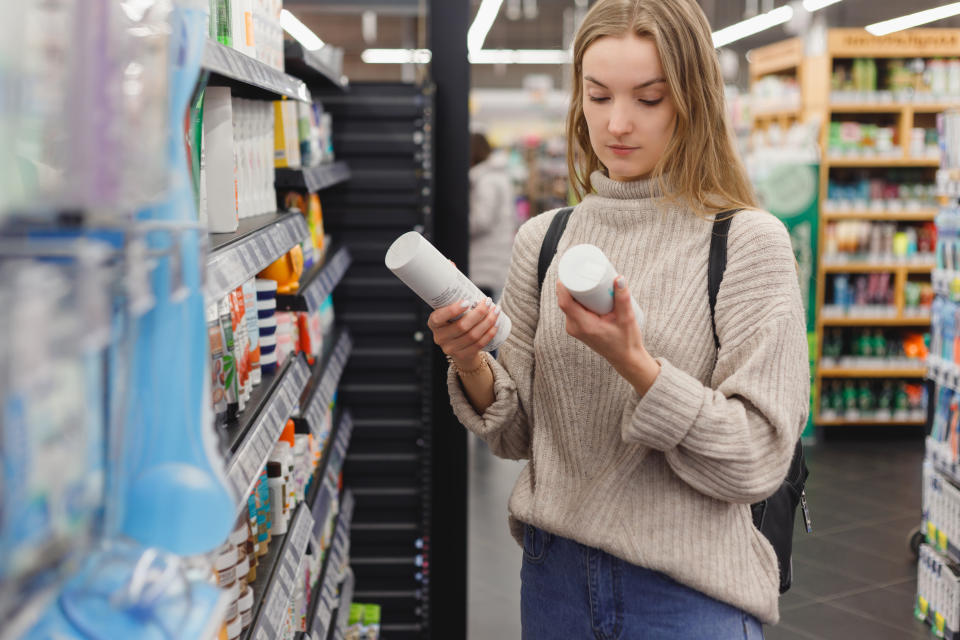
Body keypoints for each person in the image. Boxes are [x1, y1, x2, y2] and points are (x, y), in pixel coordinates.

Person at [429, 0, 808, 638]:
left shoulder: (745, 242)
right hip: (553, 582)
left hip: (689, 594)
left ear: (694, 102)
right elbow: (517, 434)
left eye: (649, 99)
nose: (618, 123)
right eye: (598, 96)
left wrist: (635, 363)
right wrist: (470, 361)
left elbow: (755, 460)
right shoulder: (544, 240)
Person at [469, 132, 517, 302]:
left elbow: (482, 220)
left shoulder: (486, 181)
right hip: (494, 259)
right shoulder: (495, 176)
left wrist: (456, 223)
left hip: (485, 263)